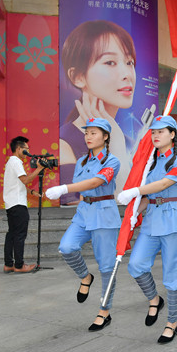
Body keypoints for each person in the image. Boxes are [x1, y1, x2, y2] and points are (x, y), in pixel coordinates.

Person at [117, 115, 177, 344]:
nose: (156, 135)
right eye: (153, 132)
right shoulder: (149, 162)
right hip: (152, 220)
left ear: (172, 134)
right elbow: (150, 197)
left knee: (172, 276)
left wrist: (134, 191)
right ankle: (154, 299)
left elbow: (163, 185)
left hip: (173, 221)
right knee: (136, 265)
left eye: (161, 131)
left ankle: (171, 323)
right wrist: (134, 214)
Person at [45, 118, 121, 331]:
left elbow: (96, 182)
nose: (88, 136)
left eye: (94, 133)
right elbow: (82, 189)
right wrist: (71, 192)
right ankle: (86, 277)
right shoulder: (81, 162)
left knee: (107, 267)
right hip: (84, 212)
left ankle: (104, 311)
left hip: (104, 214)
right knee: (67, 247)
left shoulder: (112, 161)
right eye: (86, 132)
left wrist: (64, 189)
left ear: (105, 137)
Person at [60, 20, 140, 196]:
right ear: (77, 76)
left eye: (129, 62)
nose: (127, 75)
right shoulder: (64, 144)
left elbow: (132, 200)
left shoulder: (126, 141)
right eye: (110, 62)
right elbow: (73, 203)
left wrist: (117, 142)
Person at [2, 136, 44, 274]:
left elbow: (19, 183)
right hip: (18, 204)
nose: (28, 152)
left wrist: (32, 192)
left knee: (12, 235)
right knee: (19, 235)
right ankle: (19, 265)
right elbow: (25, 180)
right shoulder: (16, 162)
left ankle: (9, 264)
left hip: (11, 204)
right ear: (19, 149)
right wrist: (39, 169)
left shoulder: (11, 162)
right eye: (26, 149)